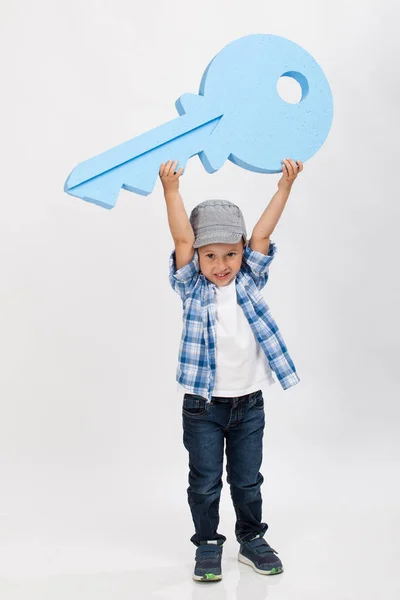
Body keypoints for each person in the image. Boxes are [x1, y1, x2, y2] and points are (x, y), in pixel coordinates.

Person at [159, 158, 303, 582]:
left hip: (249, 406)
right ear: (197, 257)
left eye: (230, 254)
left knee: (247, 481)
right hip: (204, 408)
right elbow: (182, 235)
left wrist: (284, 189)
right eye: (210, 255)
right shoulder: (191, 286)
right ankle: (206, 544)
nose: (221, 264)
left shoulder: (250, 281)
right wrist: (171, 191)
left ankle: (251, 538)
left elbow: (262, 233)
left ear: (241, 251)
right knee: (205, 482)